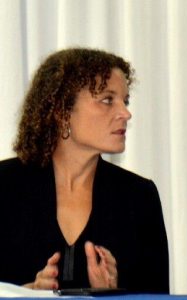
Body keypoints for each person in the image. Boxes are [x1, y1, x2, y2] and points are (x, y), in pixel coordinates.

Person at [0, 48, 169, 293]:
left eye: (125, 100)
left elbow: (158, 298)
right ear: (62, 110)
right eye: (108, 100)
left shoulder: (139, 197)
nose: (125, 113)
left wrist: (113, 295)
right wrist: (25, 294)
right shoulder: (5, 186)